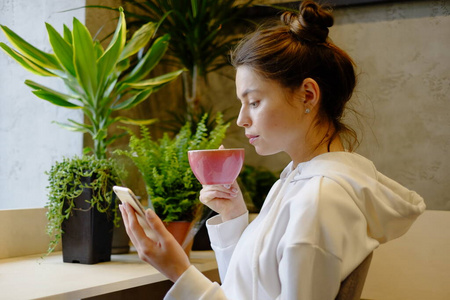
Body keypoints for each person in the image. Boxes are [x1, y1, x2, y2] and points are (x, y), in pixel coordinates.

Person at [119, 1, 426, 299]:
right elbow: (249, 290)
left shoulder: (318, 198)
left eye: (253, 102)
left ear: (308, 95)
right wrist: (233, 215)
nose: (241, 119)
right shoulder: (297, 180)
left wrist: (180, 272)